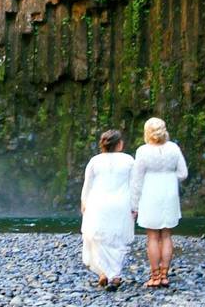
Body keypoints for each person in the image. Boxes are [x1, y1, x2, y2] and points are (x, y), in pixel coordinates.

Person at [130, 117, 188, 288]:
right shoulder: (173, 148)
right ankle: (164, 275)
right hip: (169, 194)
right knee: (167, 235)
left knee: (153, 236)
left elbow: (136, 180)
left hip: (150, 194)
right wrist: (170, 178)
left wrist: (134, 205)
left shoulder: (143, 151)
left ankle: (154, 276)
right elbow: (183, 173)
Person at [80, 129, 135, 289]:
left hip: (98, 203)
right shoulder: (128, 160)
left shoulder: (95, 161)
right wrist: (135, 206)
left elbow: (87, 184)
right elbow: (134, 185)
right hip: (120, 204)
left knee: (97, 238)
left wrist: (84, 201)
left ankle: (103, 272)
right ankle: (115, 276)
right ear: (118, 144)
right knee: (117, 239)